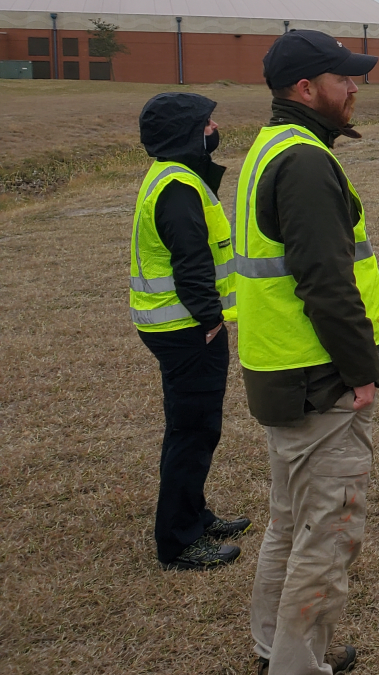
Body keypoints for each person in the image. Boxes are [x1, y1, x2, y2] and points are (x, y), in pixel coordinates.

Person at [236, 29, 379, 675]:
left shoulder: (275, 147)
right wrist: (361, 373)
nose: (356, 87)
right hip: (319, 382)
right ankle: (297, 666)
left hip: (285, 376)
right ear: (307, 89)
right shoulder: (305, 161)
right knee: (327, 535)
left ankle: (273, 649)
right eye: (345, 79)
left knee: (291, 524)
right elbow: (326, 282)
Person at [129, 92, 250, 571]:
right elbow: (191, 262)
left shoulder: (175, 176)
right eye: (205, 122)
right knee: (192, 432)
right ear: (185, 132)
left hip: (179, 325)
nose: (214, 127)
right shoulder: (179, 187)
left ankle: (195, 516)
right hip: (186, 328)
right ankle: (179, 540)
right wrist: (210, 319)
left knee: (198, 429)